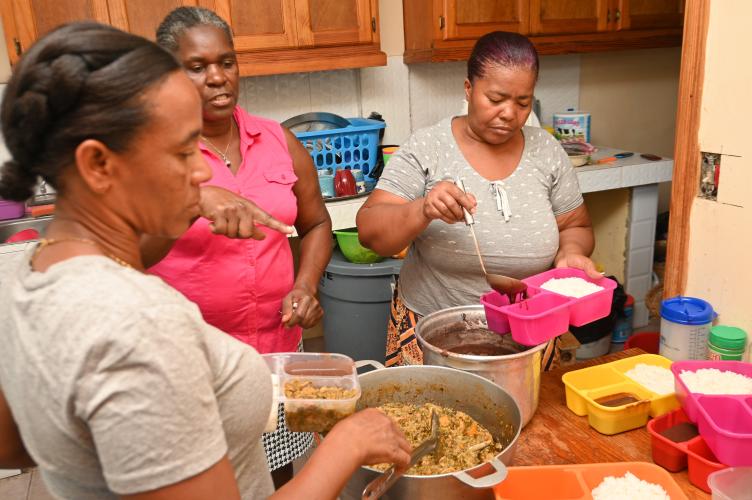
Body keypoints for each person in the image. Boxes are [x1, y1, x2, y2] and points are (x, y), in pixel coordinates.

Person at [0, 22, 410, 500]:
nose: (202, 173)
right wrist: (346, 445)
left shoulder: (31, 273)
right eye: (180, 151)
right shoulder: (142, 327)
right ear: (97, 165)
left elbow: (14, 447)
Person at [149, 7, 333, 487]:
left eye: (226, 62)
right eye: (197, 66)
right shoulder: (148, 152)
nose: (216, 77)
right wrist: (193, 201)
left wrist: (306, 284)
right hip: (192, 366)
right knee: (203, 481)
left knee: (277, 473)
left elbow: (316, 224)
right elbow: (120, 251)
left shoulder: (278, 140)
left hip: (273, 355)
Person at [357, 31, 600, 369]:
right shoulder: (428, 147)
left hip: (531, 332)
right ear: (469, 89)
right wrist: (423, 209)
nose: (509, 114)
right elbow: (370, 232)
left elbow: (576, 225)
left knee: (533, 420)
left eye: (522, 102)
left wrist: (571, 252)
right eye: (496, 98)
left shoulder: (547, 152)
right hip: (435, 335)